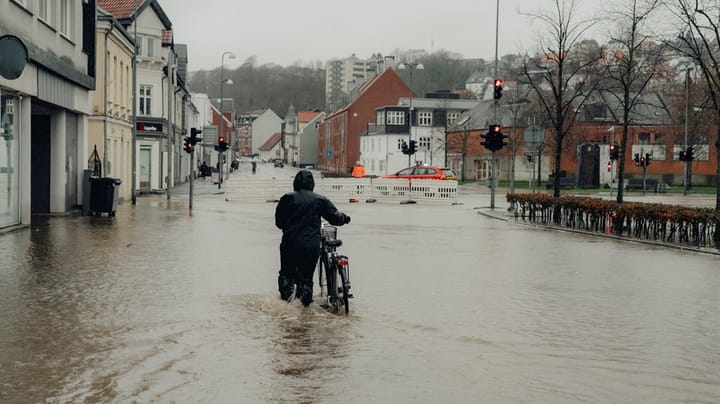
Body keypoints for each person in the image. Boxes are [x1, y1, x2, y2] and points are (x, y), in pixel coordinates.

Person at [275, 170, 351, 306]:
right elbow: (335, 218)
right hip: (310, 246)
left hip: (290, 244)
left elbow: (279, 223)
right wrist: (345, 218)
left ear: (295, 183)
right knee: (306, 278)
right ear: (312, 184)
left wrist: (290, 228)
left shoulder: (287, 198)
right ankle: (304, 310)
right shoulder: (320, 200)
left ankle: (286, 305)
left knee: (287, 274)